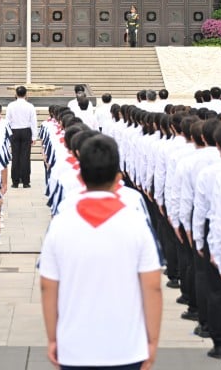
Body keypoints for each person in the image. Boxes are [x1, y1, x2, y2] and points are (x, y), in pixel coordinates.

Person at [39, 134, 162, 369]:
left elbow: (48, 286)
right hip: (126, 347)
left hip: (74, 346)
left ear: (81, 176)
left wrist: (54, 337)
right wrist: (152, 340)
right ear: (118, 177)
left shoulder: (62, 221)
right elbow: (152, 286)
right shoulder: (136, 221)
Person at [6, 86, 38, 189]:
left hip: (14, 131)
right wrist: (34, 136)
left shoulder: (11, 105)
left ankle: (15, 182)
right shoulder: (30, 106)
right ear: (26, 94)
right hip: (26, 131)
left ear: (16, 94)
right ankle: (25, 182)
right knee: (25, 156)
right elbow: (33, 122)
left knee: (15, 156)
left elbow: (8, 121)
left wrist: (8, 134)